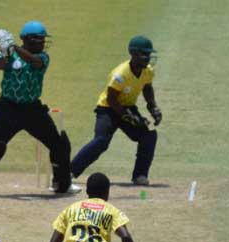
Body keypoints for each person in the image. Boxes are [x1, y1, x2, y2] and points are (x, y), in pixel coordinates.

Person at [0, 21, 79, 195]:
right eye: (38, 39)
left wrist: (13, 47)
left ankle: (63, 184)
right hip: (7, 108)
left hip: (32, 110)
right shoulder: (9, 53)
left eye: (43, 39)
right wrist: (5, 52)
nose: (42, 43)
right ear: (27, 39)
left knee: (59, 144)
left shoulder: (43, 57)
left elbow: (33, 62)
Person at [69, 36, 162, 185]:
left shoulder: (147, 71)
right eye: (144, 54)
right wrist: (128, 117)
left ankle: (139, 175)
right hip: (108, 109)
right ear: (133, 53)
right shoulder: (120, 74)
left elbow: (147, 87)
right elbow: (112, 99)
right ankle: (69, 172)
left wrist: (153, 107)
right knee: (101, 141)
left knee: (148, 136)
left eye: (149, 54)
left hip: (128, 107)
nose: (148, 58)